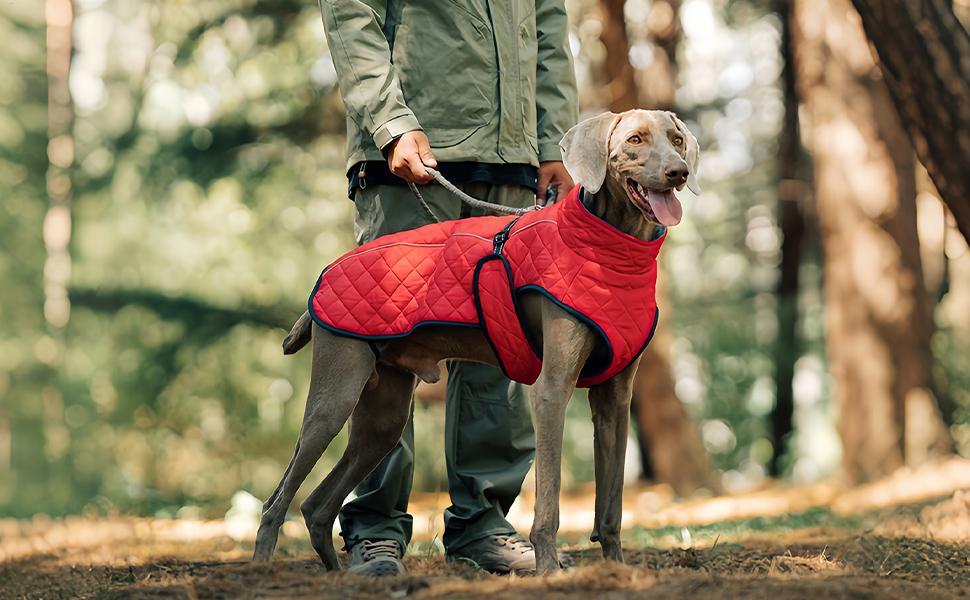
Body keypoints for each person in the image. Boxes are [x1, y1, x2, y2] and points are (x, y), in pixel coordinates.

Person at [317, 0, 577, 576]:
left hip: (514, 160)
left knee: (504, 348)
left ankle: (483, 524)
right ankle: (374, 529)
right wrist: (389, 121)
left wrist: (554, 139)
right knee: (389, 347)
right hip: (411, 156)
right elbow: (350, 12)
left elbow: (550, 26)